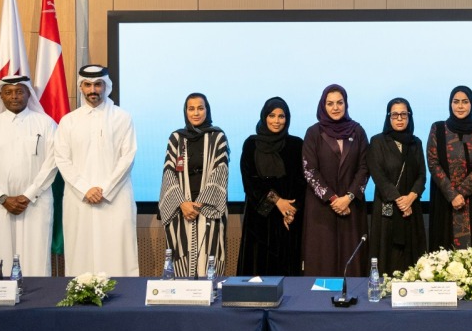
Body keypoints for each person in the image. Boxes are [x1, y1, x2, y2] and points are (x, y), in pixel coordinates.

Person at [53, 64, 139, 277]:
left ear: (106, 86)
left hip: (114, 198)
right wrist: (85, 189)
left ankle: (122, 296)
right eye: (88, 85)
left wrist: (104, 189)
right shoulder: (68, 121)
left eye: (98, 84)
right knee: (81, 252)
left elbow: (128, 157)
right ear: (81, 87)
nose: (93, 90)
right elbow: (62, 159)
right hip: (79, 198)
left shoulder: (122, 117)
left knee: (117, 252)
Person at [0, 76, 59, 277]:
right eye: (9, 92)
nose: (14, 96)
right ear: (1, 96)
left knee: (35, 257)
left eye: (20, 92)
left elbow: (52, 163)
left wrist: (28, 195)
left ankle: (36, 297)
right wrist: (2, 197)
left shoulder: (46, 123)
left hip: (35, 203)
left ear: (29, 94)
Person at [158, 93, 229, 277]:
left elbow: (220, 171)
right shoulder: (176, 138)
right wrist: (183, 203)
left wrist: (199, 204)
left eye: (200, 108)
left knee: (209, 257)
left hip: (209, 208)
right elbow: (168, 172)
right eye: (191, 109)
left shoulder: (218, 137)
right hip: (181, 209)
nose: (196, 113)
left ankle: (210, 292)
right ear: (186, 111)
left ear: (207, 110)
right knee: (181, 255)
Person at [302, 84, 369, 276]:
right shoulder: (313, 133)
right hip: (321, 208)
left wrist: (348, 197)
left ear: (346, 104)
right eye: (330, 103)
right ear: (323, 106)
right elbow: (309, 170)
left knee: (352, 263)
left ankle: (353, 295)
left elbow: (365, 167)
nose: (335, 107)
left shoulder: (357, 131)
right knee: (322, 261)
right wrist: (333, 199)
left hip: (351, 206)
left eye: (340, 103)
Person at [238, 97, 306, 276]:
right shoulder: (251, 144)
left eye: (281, 116)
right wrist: (277, 201)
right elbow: (250, 182)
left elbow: (301, 182)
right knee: (257, 274)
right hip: (259, 218)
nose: (276, 121)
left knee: (287, 275)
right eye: (272, 115)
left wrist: (291, 210)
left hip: (287, 218)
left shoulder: (296, 144)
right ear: (264, 117)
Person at [427, 86, 472, 254]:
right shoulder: (438, 128)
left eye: (465, 102)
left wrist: (461, 193)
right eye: (456, 102)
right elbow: (433, 163)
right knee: (443, 253)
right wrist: (452, 195)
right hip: (445, 200)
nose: (460, 106)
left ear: (471, 104)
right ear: (450, 104)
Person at [368, 98, 427, 273]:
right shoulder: (377, 141)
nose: (399, 119)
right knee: (388, 258)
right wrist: (400, 201)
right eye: (395, 115)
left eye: (403, 114)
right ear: (388, 117)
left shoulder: (415, 143)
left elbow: (422, 175)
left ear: (409, 116)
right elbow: (378, 174)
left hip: (412, 208)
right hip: (387, 209)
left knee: (412, 261)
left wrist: (411, 197)